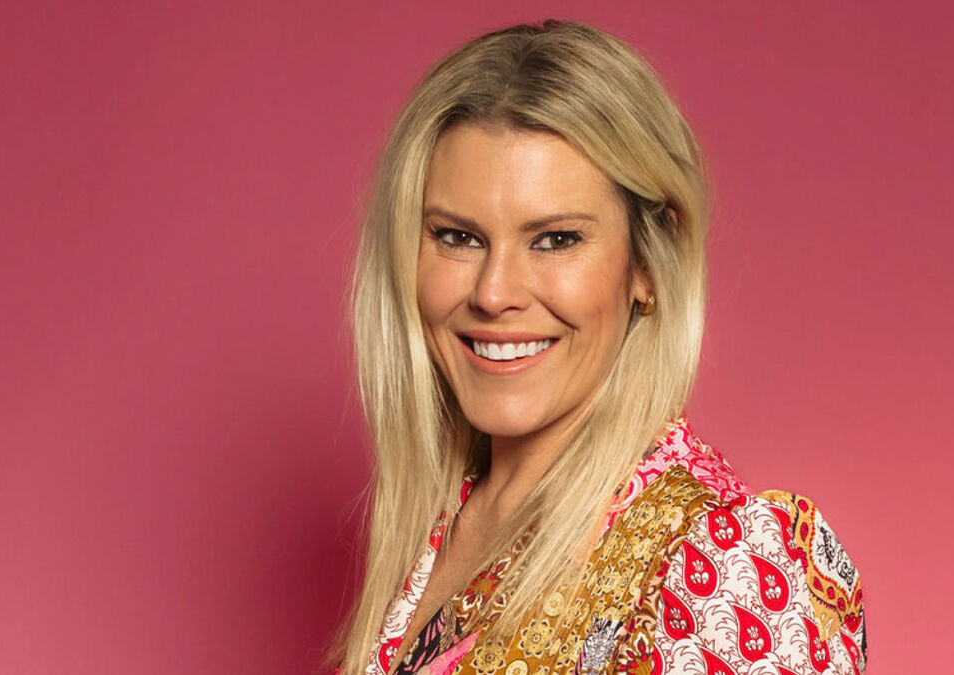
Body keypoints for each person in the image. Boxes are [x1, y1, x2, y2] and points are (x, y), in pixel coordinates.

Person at [329, 19, 867, 675]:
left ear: (648, 262)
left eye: (555, 239)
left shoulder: (721, 570)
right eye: (457, 237)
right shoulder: (446, 525)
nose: (494, 292)